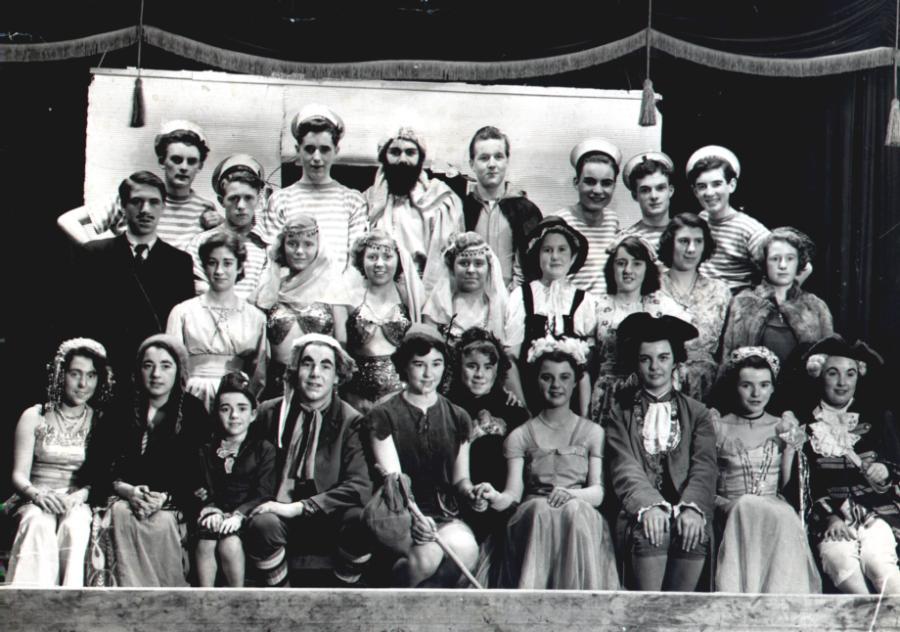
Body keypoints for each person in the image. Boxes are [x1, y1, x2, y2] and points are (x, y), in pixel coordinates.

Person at [475, 335, 620, 589]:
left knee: (575, 512)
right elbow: (513, 495)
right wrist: (493, 496)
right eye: (547, 377)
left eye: (564, 377)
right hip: (533, 519)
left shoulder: (592, 432)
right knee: (541, 510)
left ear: (576, 381)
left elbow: (597, 493)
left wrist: (573, 496)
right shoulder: (520, 435)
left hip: (579, 516)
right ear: (535, 380)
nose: (556, 385)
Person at [245, 334, 372, 587]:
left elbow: (360, 486)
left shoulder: (351, 421)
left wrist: (301, 507)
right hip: (278, 511)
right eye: (307, 363)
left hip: (330, 514)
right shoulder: (268, 413)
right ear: (294, 370)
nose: (315, 373)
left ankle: (339, 599)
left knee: (362, 522)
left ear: (337, 376)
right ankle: (283, 601)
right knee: (262, 524)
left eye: (326, 365)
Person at [87, 334, 211, 587]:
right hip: (124, 497)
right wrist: (126, 490)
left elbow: (197, 472)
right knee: (121, 514)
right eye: (148, 365)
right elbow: (98, 463)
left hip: (174, 500)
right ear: (138, 370)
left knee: (162, 523)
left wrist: (164, 496)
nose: (156, 374)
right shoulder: (119, 408)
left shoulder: (193, 411)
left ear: (179, 371)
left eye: (166, 366)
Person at [604, 313, 717, 592]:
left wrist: (692, 508)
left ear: (675, 362)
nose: (655, 367)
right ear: (636, 362)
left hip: (686, 506)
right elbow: (624, 467)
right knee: (652, 532)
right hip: (639, 512)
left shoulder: (697, 413)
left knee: (694, 532)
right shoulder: (621, 413)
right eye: (646, 359)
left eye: (663, 358)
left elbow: (704, 467)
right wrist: (649, 505)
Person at [365, 324, 481, 587]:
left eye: (437, 364)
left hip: (443, 514)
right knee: (427, 557)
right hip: (399, 515)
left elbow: (460, 480)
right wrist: (415, 520)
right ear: (405, 366)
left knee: (466, 549)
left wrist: (473, 494)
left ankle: (425, 617)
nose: (429, 374)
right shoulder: (383, 415)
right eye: (419, 364)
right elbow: (395, 485)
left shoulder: (459, 416)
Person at [70, 171, 195, 386]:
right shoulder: (94, 254)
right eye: (137, 201)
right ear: (122, 206)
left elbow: (181, 330)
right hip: (103, 372)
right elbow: (77, 318)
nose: (145, 210)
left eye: (154, 202)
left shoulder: (179, 263)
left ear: (163, 206)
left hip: (153, 377)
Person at [712, 347, 820, 593]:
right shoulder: (718, 426)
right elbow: (705, 481)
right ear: (734, 387)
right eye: (746, 385)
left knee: (783, 515)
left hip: (774, 512)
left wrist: (791, 447)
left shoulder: (781, 426)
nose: (755, 393)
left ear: (773, 388)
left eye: (763, 385)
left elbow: (789, 486)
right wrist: (724, 504)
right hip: (731, 511)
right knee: (746, 504)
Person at [797, 335, 900, 595]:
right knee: (841, 563)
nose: (842, 382)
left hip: (876, 514)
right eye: (833, 373)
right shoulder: (804, 424)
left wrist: (886, 471)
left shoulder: (877, 418)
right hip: (830, 518)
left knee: (881, 566)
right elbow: (802, 483)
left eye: (850, 374)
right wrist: (829, 516)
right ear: (820, 375)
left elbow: (897, 466)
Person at [6, 338, 114, 586]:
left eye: (91, 375)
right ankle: (29, 609)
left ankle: (70, 609)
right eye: (75, 374)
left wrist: (78, 497)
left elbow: (101, 477)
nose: (83, 384)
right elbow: (18, 475)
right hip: (35, 496)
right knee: (38, 523)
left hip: (76, 498)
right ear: (60, 374)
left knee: (75, 527)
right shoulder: (35, 415)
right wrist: (37, 495)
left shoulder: (101, 422)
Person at [58, 120, 220, 252]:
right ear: (162, 161)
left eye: (191, 161)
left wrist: (220, 225)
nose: (184, 167)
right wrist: (99, 253)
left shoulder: (205, 208)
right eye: (176, 160)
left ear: (200, 166)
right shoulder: (135, 197)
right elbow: (67, 220)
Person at [590, 234, 688, 425]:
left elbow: (676, 360)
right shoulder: (595, 306)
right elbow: (589, 365)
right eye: (621, 263)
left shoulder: (662, 306)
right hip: (607, 395)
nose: (628, 270)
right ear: (612, 267)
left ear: (647, 269)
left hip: (651, 393)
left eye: (636, 264)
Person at [720, 227, 833, 390]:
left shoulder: (815, 307)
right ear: (764, 262)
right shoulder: (743, 304)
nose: (782, 265)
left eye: (790, 258)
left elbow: (827, 364)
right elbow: (728, 365)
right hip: (755, 399)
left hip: (802, 399)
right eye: (775, 259)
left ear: (799, 262)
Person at [505, 216, 597, 415]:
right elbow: (510, 360)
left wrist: (583, 417)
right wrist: (524, 412)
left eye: (562, 249)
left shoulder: (585, 301)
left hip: (572, 405)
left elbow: (586, 369)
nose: (555, 256)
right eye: (547, 250)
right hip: (529, 399)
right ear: (537, 255)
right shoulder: (521, 296)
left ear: (573, 257)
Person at [258, 104, 367, 271]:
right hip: (290, 294)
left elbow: (355, 263)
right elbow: (273, 261)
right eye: (309, 149)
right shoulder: (280, 200)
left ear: (336, 151)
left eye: (324, 150)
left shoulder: (353, 200)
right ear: (298, 150)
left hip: (338, 294)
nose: (316, 157)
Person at [167, 231, 268, 411]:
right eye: (212, 263)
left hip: (236, 398)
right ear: (204, 267)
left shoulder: (255, 317)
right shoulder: (182, 312)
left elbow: (258, 373)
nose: (219, 271)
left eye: (227, 263)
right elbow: (171, 363)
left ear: (239, 267)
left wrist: (245, 403)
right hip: (190, 395)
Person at [252, 214, 351, 397]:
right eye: (292, 244)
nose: (299, 251)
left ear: (318, 247)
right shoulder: (271, 288)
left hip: (320, 384)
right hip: (275, 387)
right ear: (283, 246)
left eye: (308, 244)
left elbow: (342, 345)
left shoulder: (333, 287)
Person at [193, 372, 276, 587]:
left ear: (253, 414)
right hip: (217, 515)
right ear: (216, 413)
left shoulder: (263, 449)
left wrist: (239, 515)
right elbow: (204, 486)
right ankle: (204, 599)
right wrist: (211, 509)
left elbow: (264, 492)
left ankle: (236, 597)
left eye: (241, 409)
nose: (234, 416)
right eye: (225, 409)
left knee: (228, 543)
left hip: (247, 516)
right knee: (206, 539)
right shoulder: (207, 449)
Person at [422, 232, 524, 401]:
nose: (471, 270)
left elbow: (508, 363)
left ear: (489, 267)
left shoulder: (503, 308)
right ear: (452, 267)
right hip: (446, 392)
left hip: (491, 392)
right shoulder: (437, 307)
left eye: (478, 263)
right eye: (463, 263)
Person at [365, 127, 464, 290]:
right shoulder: (369, 200)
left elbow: (443, 267)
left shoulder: (441, 200)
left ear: (420, 159)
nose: (403, 160)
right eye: (395, 152)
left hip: (424, 295)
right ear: (384, 158)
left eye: (410, 153)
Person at [447, 328, 529, 509]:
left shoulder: (513, 410)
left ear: (497, 370)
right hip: (459, 497)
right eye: (472, 366)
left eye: (487, 367)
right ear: (459, 366)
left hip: (505, 498)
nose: (479, 374)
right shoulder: (448, 408)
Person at [343, 230, 425, 412]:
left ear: (399, 260)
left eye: (387, 257)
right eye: (372, 257)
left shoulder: (408, 297)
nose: (379, 264)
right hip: (354, 397)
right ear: (361, 260)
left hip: (398, 395)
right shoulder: (348, 298)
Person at [657, 213, 732, 401]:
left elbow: (727, 350)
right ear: (670, 243)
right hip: (659, 381)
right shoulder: (652, 287)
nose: (691, 249)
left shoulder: (720, 291)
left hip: (708, 387)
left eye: (698, 241)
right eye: (683, 241)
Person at [461, 125, 543, 289]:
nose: (492, 164)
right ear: (472, 164)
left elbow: (534, 265)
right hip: (470, 301)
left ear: (507, 160)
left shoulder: (527, 211)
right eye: (484, 158)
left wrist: (514, 297)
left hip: (515, 304)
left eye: (498, 157)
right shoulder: (461, 208)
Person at [687, 145, 771, 294]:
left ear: (731, 185)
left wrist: (764, 302)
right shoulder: (700, 220)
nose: (709, 192)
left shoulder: (749, 229)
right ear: (695, 192)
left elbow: (802, 268)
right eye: (702, 186)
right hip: (698, 302)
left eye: (717, 184)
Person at [188, 154, 272, 300]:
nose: (241, 206)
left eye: (248, 198)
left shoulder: (266, 244)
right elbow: (196, 287)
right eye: (233, 198)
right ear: (221, 201)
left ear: (258, 198)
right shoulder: (201, 241)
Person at [553, 138, 622, 297]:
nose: (598, 190)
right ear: (576, 182)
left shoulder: (612, 221)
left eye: (606, 183)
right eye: (590, 182)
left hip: (606, 313)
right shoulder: (560, 222)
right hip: (572, 313)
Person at [618, 151, 676, 251]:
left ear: (670, 191)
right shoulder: (626, 238)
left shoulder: (686, 232)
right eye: (645, 190)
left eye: (660, 188)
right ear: (635, 195)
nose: (654, 196)